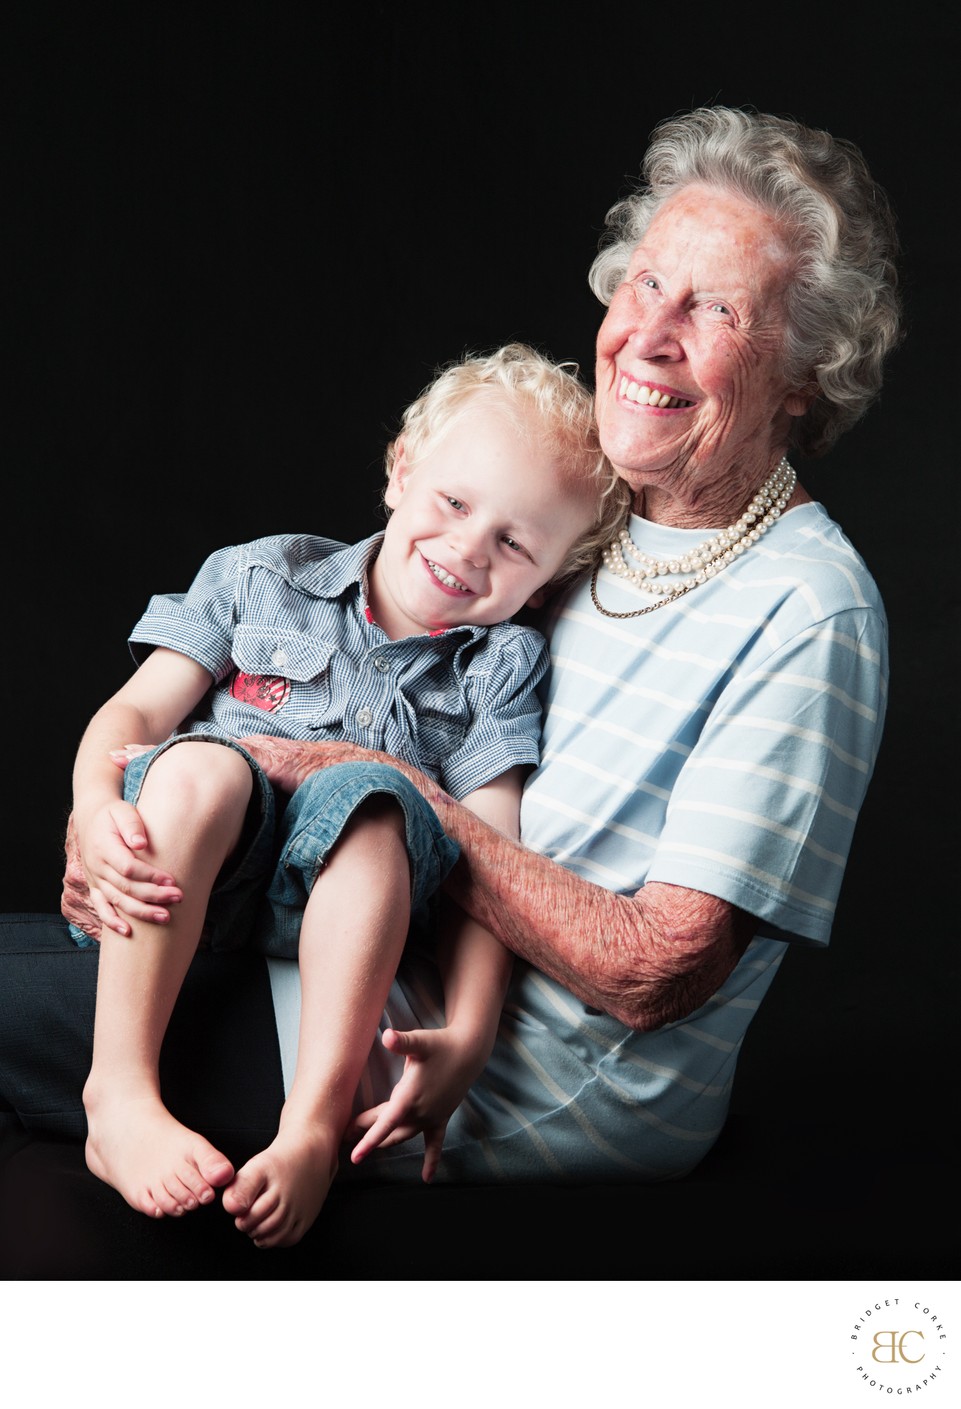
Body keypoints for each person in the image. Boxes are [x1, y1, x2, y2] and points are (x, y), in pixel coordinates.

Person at [9, 105, 900, 1239]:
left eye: (717, 310)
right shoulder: (598, 514)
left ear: (800, 377)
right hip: (356, 951)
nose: (650, 334)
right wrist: (126, 832)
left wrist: (358, 781)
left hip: (511, 1074)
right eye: (644, 284)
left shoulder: (807, 606)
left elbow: (658, 973)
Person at [62, 342, 628, 1248]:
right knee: (202, 761)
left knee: (373, 801)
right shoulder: (262, 577)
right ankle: (119, 1090)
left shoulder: (500, 666)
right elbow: (132, 711)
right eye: (453, 501)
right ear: (402, 468)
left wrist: (472, 1029)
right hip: (179, 881)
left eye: (513, 542)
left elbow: (496, 865)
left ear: (550, 576)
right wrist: (94, 811)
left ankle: (312, 1131)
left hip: (341, 927)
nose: (466, 549)